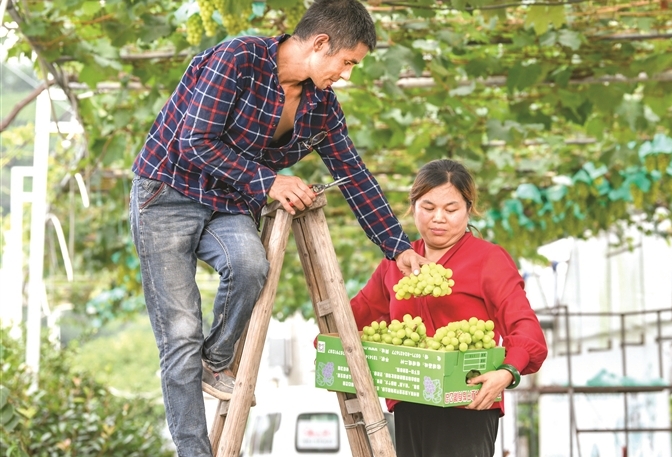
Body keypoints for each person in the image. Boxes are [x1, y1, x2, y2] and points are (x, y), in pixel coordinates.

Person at [128, 0, 427, 455]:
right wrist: (269, 180)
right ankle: (194, 451)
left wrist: (397, 245)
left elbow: (355, 175)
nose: (347, 74)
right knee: (181, 330)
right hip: (167, 192)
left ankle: (214, 361)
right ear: (321, 43)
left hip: (226, 202)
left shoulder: (321, 107)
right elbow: (194, 141)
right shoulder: (240, 57)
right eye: (348, 62)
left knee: (250, 265)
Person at [349, 159, 548, 457]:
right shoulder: (395, 264)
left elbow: (525, 327)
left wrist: (507, 372)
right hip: (409, 402)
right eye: (428, 208)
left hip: (469, 402)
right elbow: (352, 317)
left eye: (451, 209)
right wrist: (332, 350)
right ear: (413, 206)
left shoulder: (489, 259)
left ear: (469, 210)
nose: (438, 218)